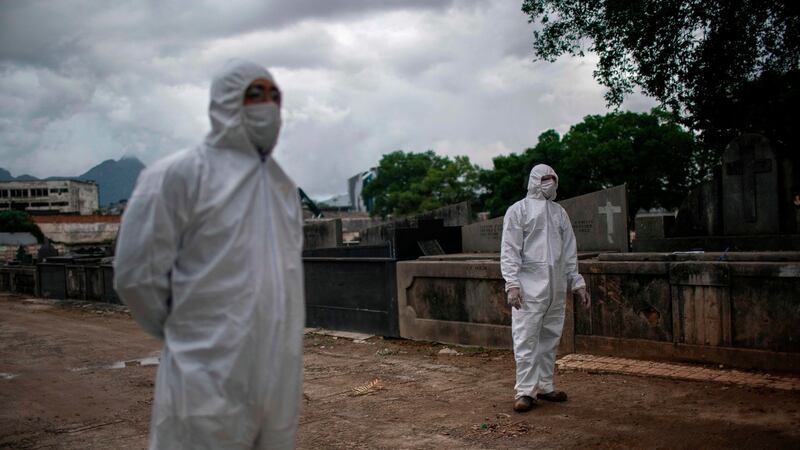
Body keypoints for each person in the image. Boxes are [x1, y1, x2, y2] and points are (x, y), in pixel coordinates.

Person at [114, 59, 305, 449]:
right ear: (226, 101)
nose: (267, 105)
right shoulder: (180, 174)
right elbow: (137, 276)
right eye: (255, 94)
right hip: (205, 371)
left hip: (278, 372)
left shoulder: (280, 185)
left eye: (274, 96)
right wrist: (190, 333)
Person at [500, 163, 590, 413]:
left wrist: (577, 282)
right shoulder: (518, 211)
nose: (550, 183)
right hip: (529, 287)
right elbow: (510, 250)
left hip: (556, 287)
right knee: (526, 338)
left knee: (550, 337)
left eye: (553, 178)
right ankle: (526, 391)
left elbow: (569, 250)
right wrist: (512, 283)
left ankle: (546, 385)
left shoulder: (559, 212)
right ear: (534, 181)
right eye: (545, 179)